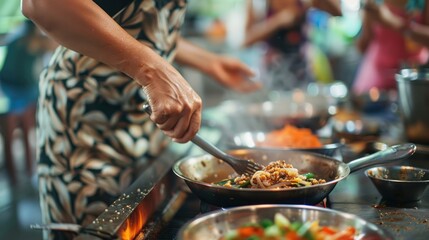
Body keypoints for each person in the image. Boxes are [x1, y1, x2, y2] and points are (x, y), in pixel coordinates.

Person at [21, 0, 261, 239]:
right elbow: (41, 4)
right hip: (85, 125)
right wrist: (152, 70)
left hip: (143, 120)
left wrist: (207, 61)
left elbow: (142, 25)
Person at [0, 20, 56, 183]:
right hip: (14, 92)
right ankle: (17, 178)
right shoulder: (28, 41)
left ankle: (26, 174)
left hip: (21, 91)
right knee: (12, 134)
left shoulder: (20, 40)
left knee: (24, 130)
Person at [243, 0, 342, 91]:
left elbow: (338, 13)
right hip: (272, 75)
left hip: (303, 71)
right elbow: (246, 41)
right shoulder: (258, 3)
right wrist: (278, 21)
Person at [353, 0, 429, 95]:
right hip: (377, 81)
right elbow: (362, 46)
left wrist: (394, 23)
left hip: (414, 80)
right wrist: (367, 19)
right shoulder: (375, 2)